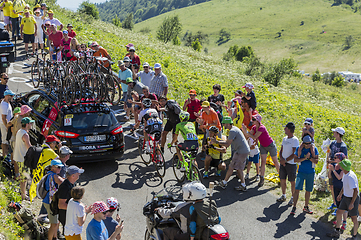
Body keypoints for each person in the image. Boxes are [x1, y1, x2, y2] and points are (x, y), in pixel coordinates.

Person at [242, 114, 280, 187]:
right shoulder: (254, 127)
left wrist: (247, 133)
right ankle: (261, 178)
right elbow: (248, 136)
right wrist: (244, 130)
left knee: (275, 161)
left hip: (270, 145)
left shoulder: (262, 128)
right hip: (263, 146)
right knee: (263, 162)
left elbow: (254, 136)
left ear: (258, 121)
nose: (252, 121)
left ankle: (281, 177)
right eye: (252, 119)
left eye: (254, 119)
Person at [214, 116, 250, 191]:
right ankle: (227, 183)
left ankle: (227, 183)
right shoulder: (233, 129)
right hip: (240, 150)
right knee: (234, 167)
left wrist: (216, 142)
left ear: (228, 123)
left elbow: (227, 144)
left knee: (236, 168)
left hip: (241, 151)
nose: (223, 125)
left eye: (224, 123)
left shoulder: (233, 131)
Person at [327, 159, 359, 239]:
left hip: (353, 199)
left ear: (344, 167)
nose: (340, 166)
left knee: (354, 219)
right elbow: (344, 185)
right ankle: (337, 231)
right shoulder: (345, 173)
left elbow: (356, 191)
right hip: (345, 197)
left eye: (341, 165)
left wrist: (352, 203)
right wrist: (340, 194)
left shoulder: (350, 177)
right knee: (338, 212)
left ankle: (354, 237)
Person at [290, 135, 319, 215]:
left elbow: (316, 161)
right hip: (301, 172)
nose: (308, 145)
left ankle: (306, 206)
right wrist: (305, 158)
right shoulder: (299, 149)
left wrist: (309, 158)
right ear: (303, 143)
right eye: (306, 143)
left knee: (308, 190)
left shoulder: (314, 149)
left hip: (310, 172)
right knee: (297, 190)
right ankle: (294, 207)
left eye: (309, 143)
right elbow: (295, 160)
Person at [29, 134, 61, 201]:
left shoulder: (42, 147)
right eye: (55, 143)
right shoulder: (50, 151)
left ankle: (33, 196)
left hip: (36, 168)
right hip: (40, 171)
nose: (55, 144)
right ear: (51, 143)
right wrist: (59, 148)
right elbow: (59, 160)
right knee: (40, 186)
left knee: (35, 184)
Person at [277, 122, 299, 205]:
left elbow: (294, 154)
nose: (284, 130)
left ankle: (293, 197)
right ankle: (283, 195)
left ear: (289, 129)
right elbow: (281, 150)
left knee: (292, 181)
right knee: (282, 179)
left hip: (291, 164)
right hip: (284, 163)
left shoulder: (295, 140)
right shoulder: (284, 138)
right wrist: (281, 159)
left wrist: (285, 160)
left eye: (285, 128)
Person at [58, 166, 84, 234]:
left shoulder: (72, 183)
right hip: (65, 215)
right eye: (78, 173)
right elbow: (61, 205)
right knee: (68, 233)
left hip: (69, 214)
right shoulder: (65, 187)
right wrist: (75, 208)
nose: (79, 174)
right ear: (73, 175)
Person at [327, 127, 348, 211]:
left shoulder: (343, 146)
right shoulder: (333, 143)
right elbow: (330, 152)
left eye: (334, 132)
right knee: (331, 186)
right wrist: (328, 160)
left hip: (338, 169)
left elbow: (345, 159)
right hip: (331, 167)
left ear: (338, 134)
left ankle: (339, 205)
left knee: (337, 187)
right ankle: (334, 202)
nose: (333, 133)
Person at [42, 159, 64, 240]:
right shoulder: (54, 176)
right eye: (58, 167)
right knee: (54, 223)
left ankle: (55, 237)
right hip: (50, 202)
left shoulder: (49, 174)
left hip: (48, 201)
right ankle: (50, 238)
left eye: (61, 167)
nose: (60, 169)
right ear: (53, 167)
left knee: (56, 221)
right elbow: (63, 182)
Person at [13, 117, 33, 200]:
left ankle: (23, 193)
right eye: (30, 123)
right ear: (27, 124)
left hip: (18, 157)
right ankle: (23, 195)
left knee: (22, 177)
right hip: (23, 158)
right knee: (24, 178)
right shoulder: (25, 135)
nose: (31, 125)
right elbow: (29, 147)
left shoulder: (19, 131)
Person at [328, 152, 348, 229]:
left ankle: (344, 222)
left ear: (340, 159)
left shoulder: (343, 167)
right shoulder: (334, 166)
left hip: (342, 188)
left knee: (343, 206)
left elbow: (340, 177)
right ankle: (339, 220)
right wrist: (330, 170)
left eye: (336, 157)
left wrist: (333, 170)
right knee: (338, 205)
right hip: (336, 187)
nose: (334, 159)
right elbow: (330, 176)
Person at [0, 89, 14, 157]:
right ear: (6, 96)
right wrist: (6, 127)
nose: (12, 97)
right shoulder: (4, 105)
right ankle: (4, 156)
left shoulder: (7, 102)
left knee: (7, 140)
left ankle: (6, 155)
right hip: (4, 125)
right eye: (10, 96)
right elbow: (3, 118)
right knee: (5, 141)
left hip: (7, 124)